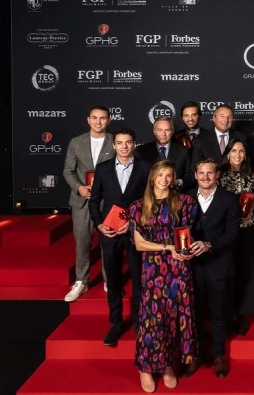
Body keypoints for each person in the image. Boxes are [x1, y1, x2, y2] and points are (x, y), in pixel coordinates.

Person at [128, 161, 198, 392]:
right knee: (152, 319)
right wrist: (167, 248)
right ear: (152, 177)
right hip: (153, 269)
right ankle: (146, 367)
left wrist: (185, 250)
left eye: (169, 175)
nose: (164, 179)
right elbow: (139, 244)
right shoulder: (138, 206)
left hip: (179, 268)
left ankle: (166, 364)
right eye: (160, 175)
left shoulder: (185, 202)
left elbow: (186, 235)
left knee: (172, 318)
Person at [88, 128, 151, 346]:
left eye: (128, 142)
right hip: (109, 232)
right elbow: (94, 200)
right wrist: (99, 224)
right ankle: (115, 323)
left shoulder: (145, 167)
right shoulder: (103, 168)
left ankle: (140, 322)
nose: (124, 146)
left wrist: (133, 222)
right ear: (113, 145)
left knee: (138, 278)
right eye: (120, 142)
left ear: (134, 144)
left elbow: (150, 201)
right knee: (113, 280)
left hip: (135, 232)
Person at [184, 158, 240, 378]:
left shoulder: (229, 199)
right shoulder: (186, 197)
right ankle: (196, 355)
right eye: (201, 173)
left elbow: (233, 233)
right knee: (194, 313)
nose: (205, 177)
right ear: (195, 175)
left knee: (218, 314)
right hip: (193, 265)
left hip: (219, 264)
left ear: (217, 175)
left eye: (210, 173)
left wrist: (209, 245)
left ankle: (218, 355)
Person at [62, 105, 114, 301]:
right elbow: (68, 171)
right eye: (94, 118)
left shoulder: (115, 141)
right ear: (88, 120)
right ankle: (81, 281)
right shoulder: (76, 142)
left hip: (106, 201)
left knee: (107, 242)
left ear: (109, 120)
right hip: (82, 201)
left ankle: (109, 280)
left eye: (102, 118)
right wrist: (79, 188)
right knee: (82, 243)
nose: (98, 122)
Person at [219, 139, 254, 336]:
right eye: (234, 150)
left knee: (246, 272)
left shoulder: (252, 175)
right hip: (226, 230)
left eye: (242, 151)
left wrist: (252, 208)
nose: (238, 155)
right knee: (228, 272)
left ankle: (243, 315)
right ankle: (227, 314)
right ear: (228, 153)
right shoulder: (219, 175)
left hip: (247, 229)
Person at [134, 116, 194, 192]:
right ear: (154, 131)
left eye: (167, 130)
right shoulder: (141, 151)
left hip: (176, 195)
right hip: (149, 196)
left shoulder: (184, 151)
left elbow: (190, 176)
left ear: (172, 131)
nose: (163, 134)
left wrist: (178, 183)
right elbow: (136, 178)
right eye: (159, 130)